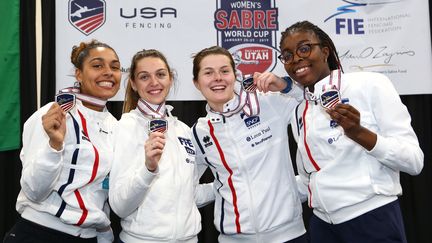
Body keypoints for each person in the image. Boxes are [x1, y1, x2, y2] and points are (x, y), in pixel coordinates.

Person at [279, 20, 424, 243]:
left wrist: (359, 133)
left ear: (325, 51)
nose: (296, 58)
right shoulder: (300, 110)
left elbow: (414, 161)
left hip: (371, 218)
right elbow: (311, 177)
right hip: (322, 226)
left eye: (304, 48)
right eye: (287, 55)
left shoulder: (369, 84)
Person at [3, 40, 122, 243]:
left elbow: (102, 191)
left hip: (89, 236)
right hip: (39, 233)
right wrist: (54, 146)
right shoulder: (54, 114)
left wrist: (104, 236)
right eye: (97, 65)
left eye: (115, 66)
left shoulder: (116, 126)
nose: (108, 72)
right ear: (78, 74)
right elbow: (34, 191)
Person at [190, 46, 307, 243]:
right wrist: (221, 188)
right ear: (196, 83)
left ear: (234, 75)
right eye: (208, 72)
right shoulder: (199, 132)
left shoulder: (268, 103)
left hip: (289, 235)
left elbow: (312, 102)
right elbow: (189, 191)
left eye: (224, 71)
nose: (218, 78)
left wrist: (286, 85)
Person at [109, 49, 214, 243]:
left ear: (170, 78)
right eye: (144, 77)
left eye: (160, 74)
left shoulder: (183, 130)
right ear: (133, 83)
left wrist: (226, 185)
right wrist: (148, 168)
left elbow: (190, 195)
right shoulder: (125, 127)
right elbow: (119, 206)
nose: (154, 82)